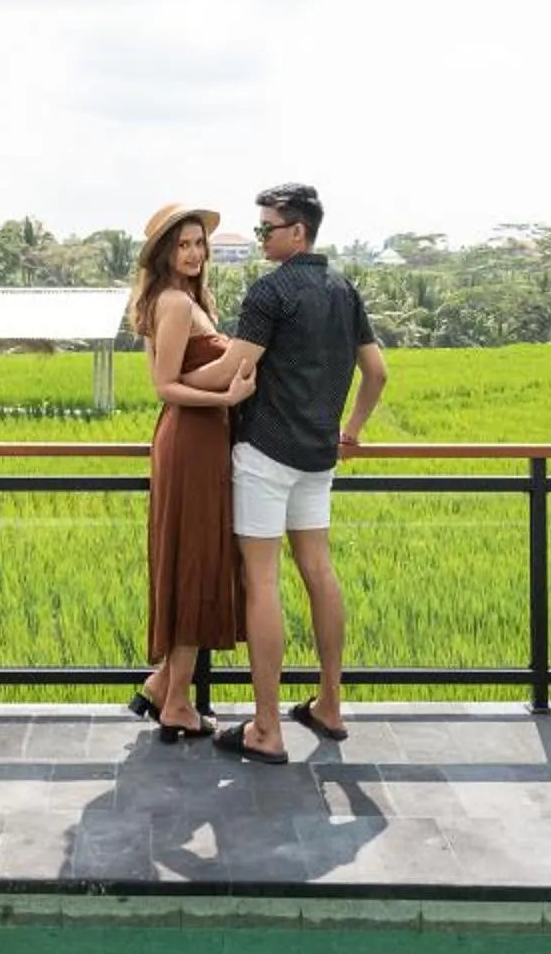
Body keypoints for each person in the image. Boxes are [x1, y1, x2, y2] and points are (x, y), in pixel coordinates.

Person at [216, 181, 385, 765]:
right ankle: (330, 705)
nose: (261, 236)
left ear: (297, 232)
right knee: (318, 569)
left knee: (262, 582)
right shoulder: (343, 288)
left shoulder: (270, 291)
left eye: (266, 228)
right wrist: (352, 430)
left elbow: (235, 368)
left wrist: (170, 378)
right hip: (319, 456)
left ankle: (266, 728)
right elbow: (377, 372)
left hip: (264, 454)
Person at [126, 201, 257, 739]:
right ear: (164, 253)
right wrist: (229, 393)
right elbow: (166, 386)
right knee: (196, 561)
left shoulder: (184, 300)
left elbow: (182, 375)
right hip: (191, 439)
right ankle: (175, 699)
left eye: (199, 243)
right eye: (182, 245)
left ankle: (163, 686)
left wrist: (225, 393)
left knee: (197, 558)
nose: (194, 253)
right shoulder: (176, 303)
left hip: (199, 439)